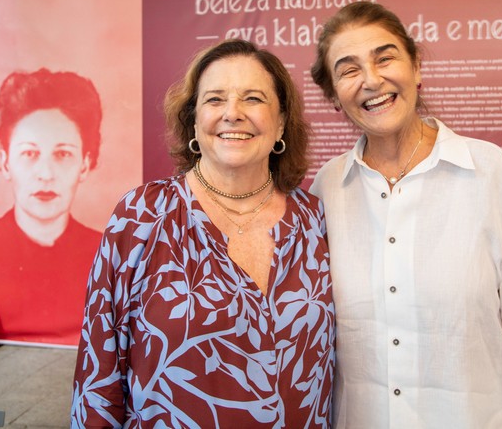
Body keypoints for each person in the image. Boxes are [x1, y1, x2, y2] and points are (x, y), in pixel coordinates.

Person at [310, 1, 502, 427]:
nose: (371, 80)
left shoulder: (489, 172)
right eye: (348, 70)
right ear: (333, 97)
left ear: (416, 66)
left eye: (385, 58)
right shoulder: (327, 189)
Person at [71, 39, 335, 427]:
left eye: (253, 99)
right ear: (193, 121)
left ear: (281, 121)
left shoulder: (315, 219)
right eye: (215, 99)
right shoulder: (141, 217)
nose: (233, 113)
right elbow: (100, 367)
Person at [0, 68, 103, 344]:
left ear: (85, 164)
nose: (45, 174)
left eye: (63, 154)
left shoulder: (107, 252)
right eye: (29, 153)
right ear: (5, 162)